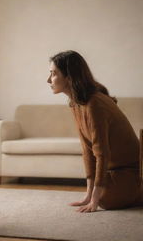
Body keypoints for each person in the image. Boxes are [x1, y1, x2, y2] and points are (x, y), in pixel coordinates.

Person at [47, 50, 142, 213]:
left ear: (69, 77)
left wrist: (95, 200)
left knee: (104, 200)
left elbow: (101, 153)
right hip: (112, 172)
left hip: (128, 173)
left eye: (53, 74)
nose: (48, 80)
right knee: (101, 196)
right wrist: (89, 195)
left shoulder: (94, 103)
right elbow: (87, 150)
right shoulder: (76, 103)